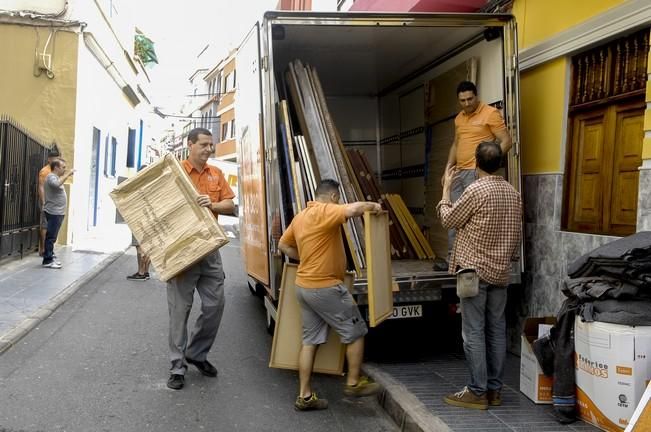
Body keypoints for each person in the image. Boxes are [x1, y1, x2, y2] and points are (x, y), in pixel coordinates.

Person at [278, 179, 383, 411]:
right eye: (338, 199)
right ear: (334, 197)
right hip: (325, 287)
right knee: (356, 331)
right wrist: (374, 207)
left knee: (309, 341)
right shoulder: (325, 211)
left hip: (304, 286)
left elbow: (283, 246)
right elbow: (355, 209)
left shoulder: (301, 216)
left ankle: (305, 396)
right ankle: (354, 383)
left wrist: (305, 259)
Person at [437, 141, 522, 410]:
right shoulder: (513, 193)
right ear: (500, 164)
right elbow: (516, 234)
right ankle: (494, 391)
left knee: (473, 332)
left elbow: (448, 220)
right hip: (500, 271)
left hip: (473, 273)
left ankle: (476, 391)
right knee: (497, 330)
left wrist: (446, 189)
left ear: (475, 163)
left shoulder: (474, 190)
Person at [166, 128, 235, 390]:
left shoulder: (216, 174)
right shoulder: (175, 172)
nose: (209, 150)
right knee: (179, 311)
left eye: (211, 146)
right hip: (182, 250)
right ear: (190, 145)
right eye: (204, 145)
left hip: (210, 249)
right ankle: (177, 366)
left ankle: (196, 353)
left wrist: (212, 205)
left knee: (215, 306)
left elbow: (230, 204)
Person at [441, 81, 512, 265]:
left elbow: (506, 141)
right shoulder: (459, 118)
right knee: (452, 213)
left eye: (470, 99)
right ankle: (453, 259)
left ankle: (472, 260)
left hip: (476, 173)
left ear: (476, 96)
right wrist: (448, 168)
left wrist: (488, 163)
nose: (466, 104)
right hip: (459, 172)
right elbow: (456, 145)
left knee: (473, 219)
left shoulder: (490, 113)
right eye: (462, 100)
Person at [42, 158, 74, 269]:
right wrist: (68, 174)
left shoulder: (55, 177)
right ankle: (48, 260)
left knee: (52, 237)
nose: (65, 169)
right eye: (63, 167)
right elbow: (56, 184)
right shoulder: (51, 177)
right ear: (56, 167)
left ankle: (51, 256)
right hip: (54, 212)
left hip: (57, 212)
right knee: (51, 237)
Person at [127, 164, 151, 281]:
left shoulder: (139, 186)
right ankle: (146, 272)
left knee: (140, 247)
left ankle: (141, 272)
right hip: (150, 219)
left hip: (139, 219)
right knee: (148, 246)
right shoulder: (152, 185)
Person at [38, 148, 60, 256]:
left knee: (50, 226)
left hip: (53, 202)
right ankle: (43, 249)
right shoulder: (45, 171)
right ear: (49, 159)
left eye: (57, 158)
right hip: (47, 202)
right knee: (45, 225)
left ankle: (47, 249)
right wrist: (43, 202)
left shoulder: (54, 171)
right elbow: (41, 187)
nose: (56, 160)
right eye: (55, 158)